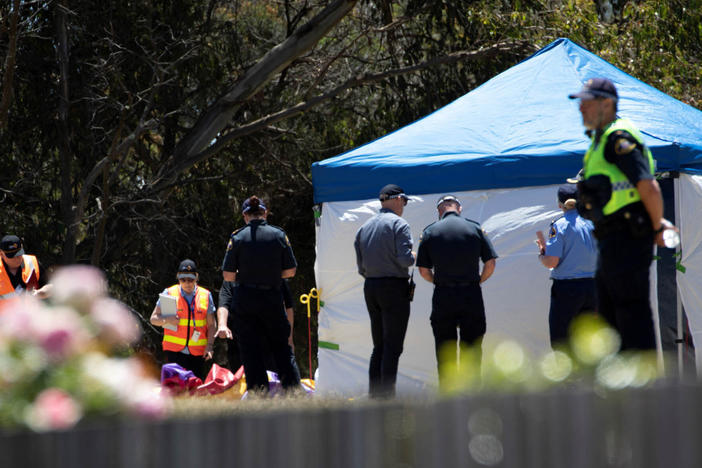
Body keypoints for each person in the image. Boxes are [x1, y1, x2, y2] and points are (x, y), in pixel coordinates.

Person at [568, 77, 677, 350]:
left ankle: (644, 384)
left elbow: (647, 185)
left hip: (628, 235)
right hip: (612, 238)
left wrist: (656, 226)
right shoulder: (600, 140)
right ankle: (620, 383)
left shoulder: (618, 138)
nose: (581, 109)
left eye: (587, 103)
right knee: (609, 314)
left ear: (607, 104)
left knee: (631, 312)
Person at [216, 196, 301, 394]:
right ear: (265, 213)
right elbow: (290, 271)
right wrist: (269, 274)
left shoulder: (237, 237)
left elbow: (228, 275)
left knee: (250, 350)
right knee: (281, 347)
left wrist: (247, 275)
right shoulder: (278, 235)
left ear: (245, 215)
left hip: (246, 299)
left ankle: (259, 394)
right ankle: (294, 393)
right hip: (272, 297)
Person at [416, 195, 497, 387]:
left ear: (439, 210)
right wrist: (478, 280)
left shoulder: (430, 231)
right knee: (472, 349)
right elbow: (491, 263)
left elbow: (423, 271)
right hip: (471, 294)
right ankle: (473, 394)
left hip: (443, 296)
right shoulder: (475, 228)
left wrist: (438, 281)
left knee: (446, 350)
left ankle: (448, 397)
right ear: (459, 208)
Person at [354, 184, 415, 398]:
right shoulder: (399, 224)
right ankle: (387, 399)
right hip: (393, 287)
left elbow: (360, 267)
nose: (404, 206)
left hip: (371, 287)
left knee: (378, 346)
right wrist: (417, 254)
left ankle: (375, 397)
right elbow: (405, 259)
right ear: (397, 199)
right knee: (393, 346)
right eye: (404, 201)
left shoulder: (364, 227)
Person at [535, 184, 597, 347]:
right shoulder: (594, 221)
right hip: (595, 286)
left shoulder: (559, 225)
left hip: (568, 289)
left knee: (562, 340)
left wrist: (542, 255)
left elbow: (552, 261)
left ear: (559, 204)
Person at [150, 259, 216, 380]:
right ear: (178, 277)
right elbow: (153, 319)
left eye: (190, 279)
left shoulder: (206, 295)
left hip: (197, 352)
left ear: (196, 277)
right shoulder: (169, 292)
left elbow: (212, 324)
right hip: (174, 352)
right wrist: (167, 320)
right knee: (175, 390)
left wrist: (210, 346)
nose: (187, 283)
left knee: (194, 390)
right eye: (183, 279)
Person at [0, 234, 53, 300]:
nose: (18, 258)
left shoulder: (32, 263)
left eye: (19, 253)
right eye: (12, 256)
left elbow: (51, 286)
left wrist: (40, 293)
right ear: (1, 254)